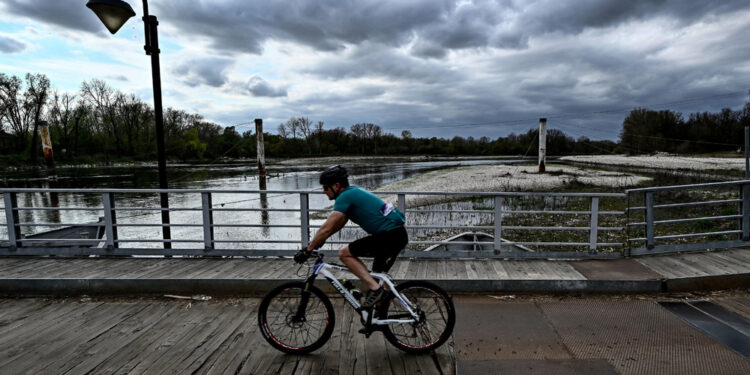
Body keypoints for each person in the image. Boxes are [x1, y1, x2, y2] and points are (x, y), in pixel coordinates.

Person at [295, 165, 407, 308]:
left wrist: (307, 251)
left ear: (336, 186)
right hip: (396, 235)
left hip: (389, 236)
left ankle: (377, 291)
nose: (324, 191)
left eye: (325, 187)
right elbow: (338, 224)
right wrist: (319, 241)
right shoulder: (352, 192)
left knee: (344, 253)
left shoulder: (345, 196)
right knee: (375, 278)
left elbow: (326, 227)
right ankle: (378, 318)